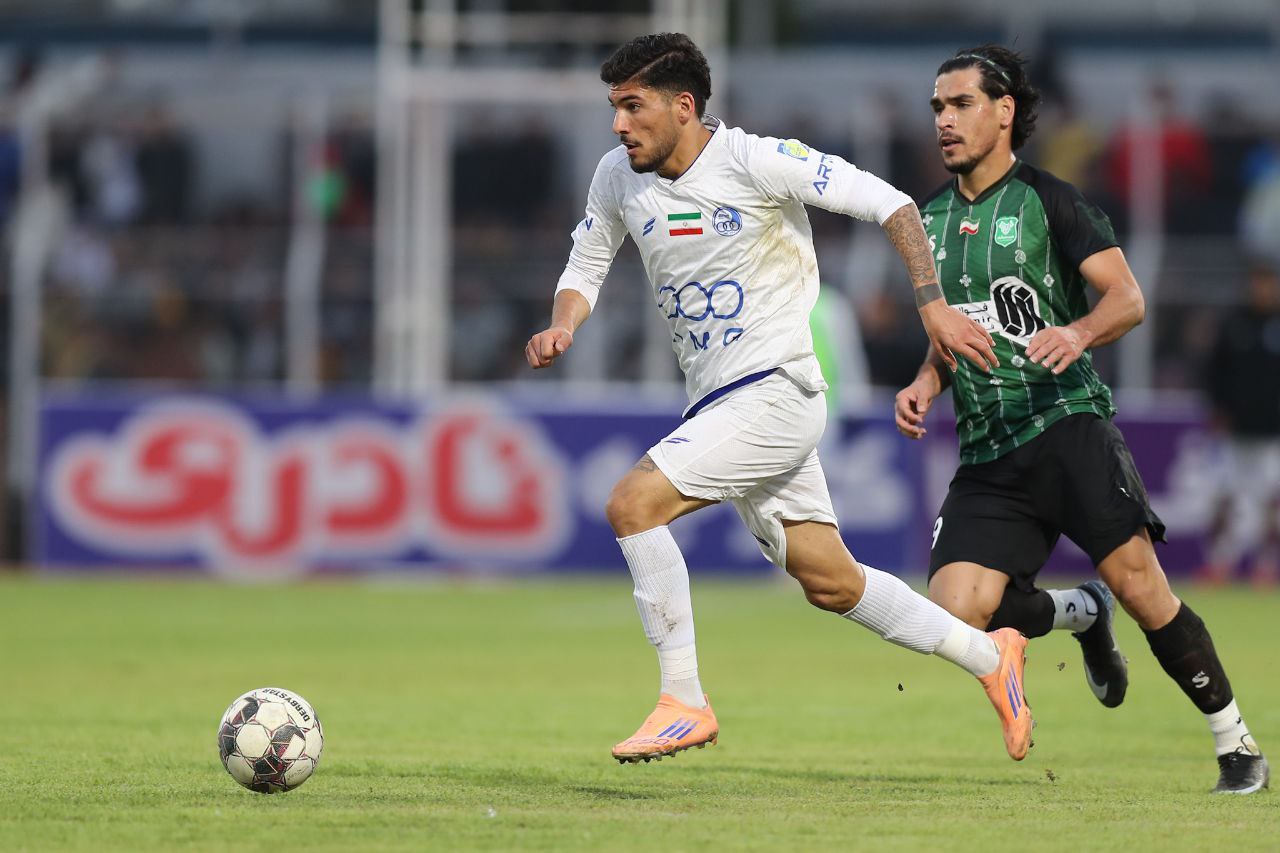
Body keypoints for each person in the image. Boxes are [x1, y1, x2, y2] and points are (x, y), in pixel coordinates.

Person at [526, 32, 1032, 766]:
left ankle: (683, 700)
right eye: (615, 107)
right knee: (831, 581)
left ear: (683, 106)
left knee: (633, 505)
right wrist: (564, 324)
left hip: (776, 390)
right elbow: (587, 260)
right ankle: (991, 656)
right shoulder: (617, 176)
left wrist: (931, 308)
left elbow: (893, 205)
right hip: (718, 402)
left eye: (632, 107)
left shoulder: (758, 161)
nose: (618, 124)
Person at [893, 44, 1269, 794]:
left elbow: (1127, 298)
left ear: (1004, 112)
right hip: (988, 449)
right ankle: (1081, 613)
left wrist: (1077, 332)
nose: (944, 121)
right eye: (937, 107)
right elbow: (955, 329)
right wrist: (926, 380)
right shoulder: (923, 221)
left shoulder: (1050, 201)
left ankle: (1236, 742)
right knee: (956, 609)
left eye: (961, 104)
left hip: (1066, 423)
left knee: (1142, 587)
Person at [1199, 265, 1280, 586]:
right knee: (1226, 497)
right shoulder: (1234, 324)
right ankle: (1219, 562)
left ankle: (1266, 565)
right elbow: (1214, 371)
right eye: (1257, 284)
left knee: (1271, 500)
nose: (1262, 290)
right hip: (1235, 431)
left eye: (1268, 284)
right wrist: (1218, 408)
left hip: (1273, 433)